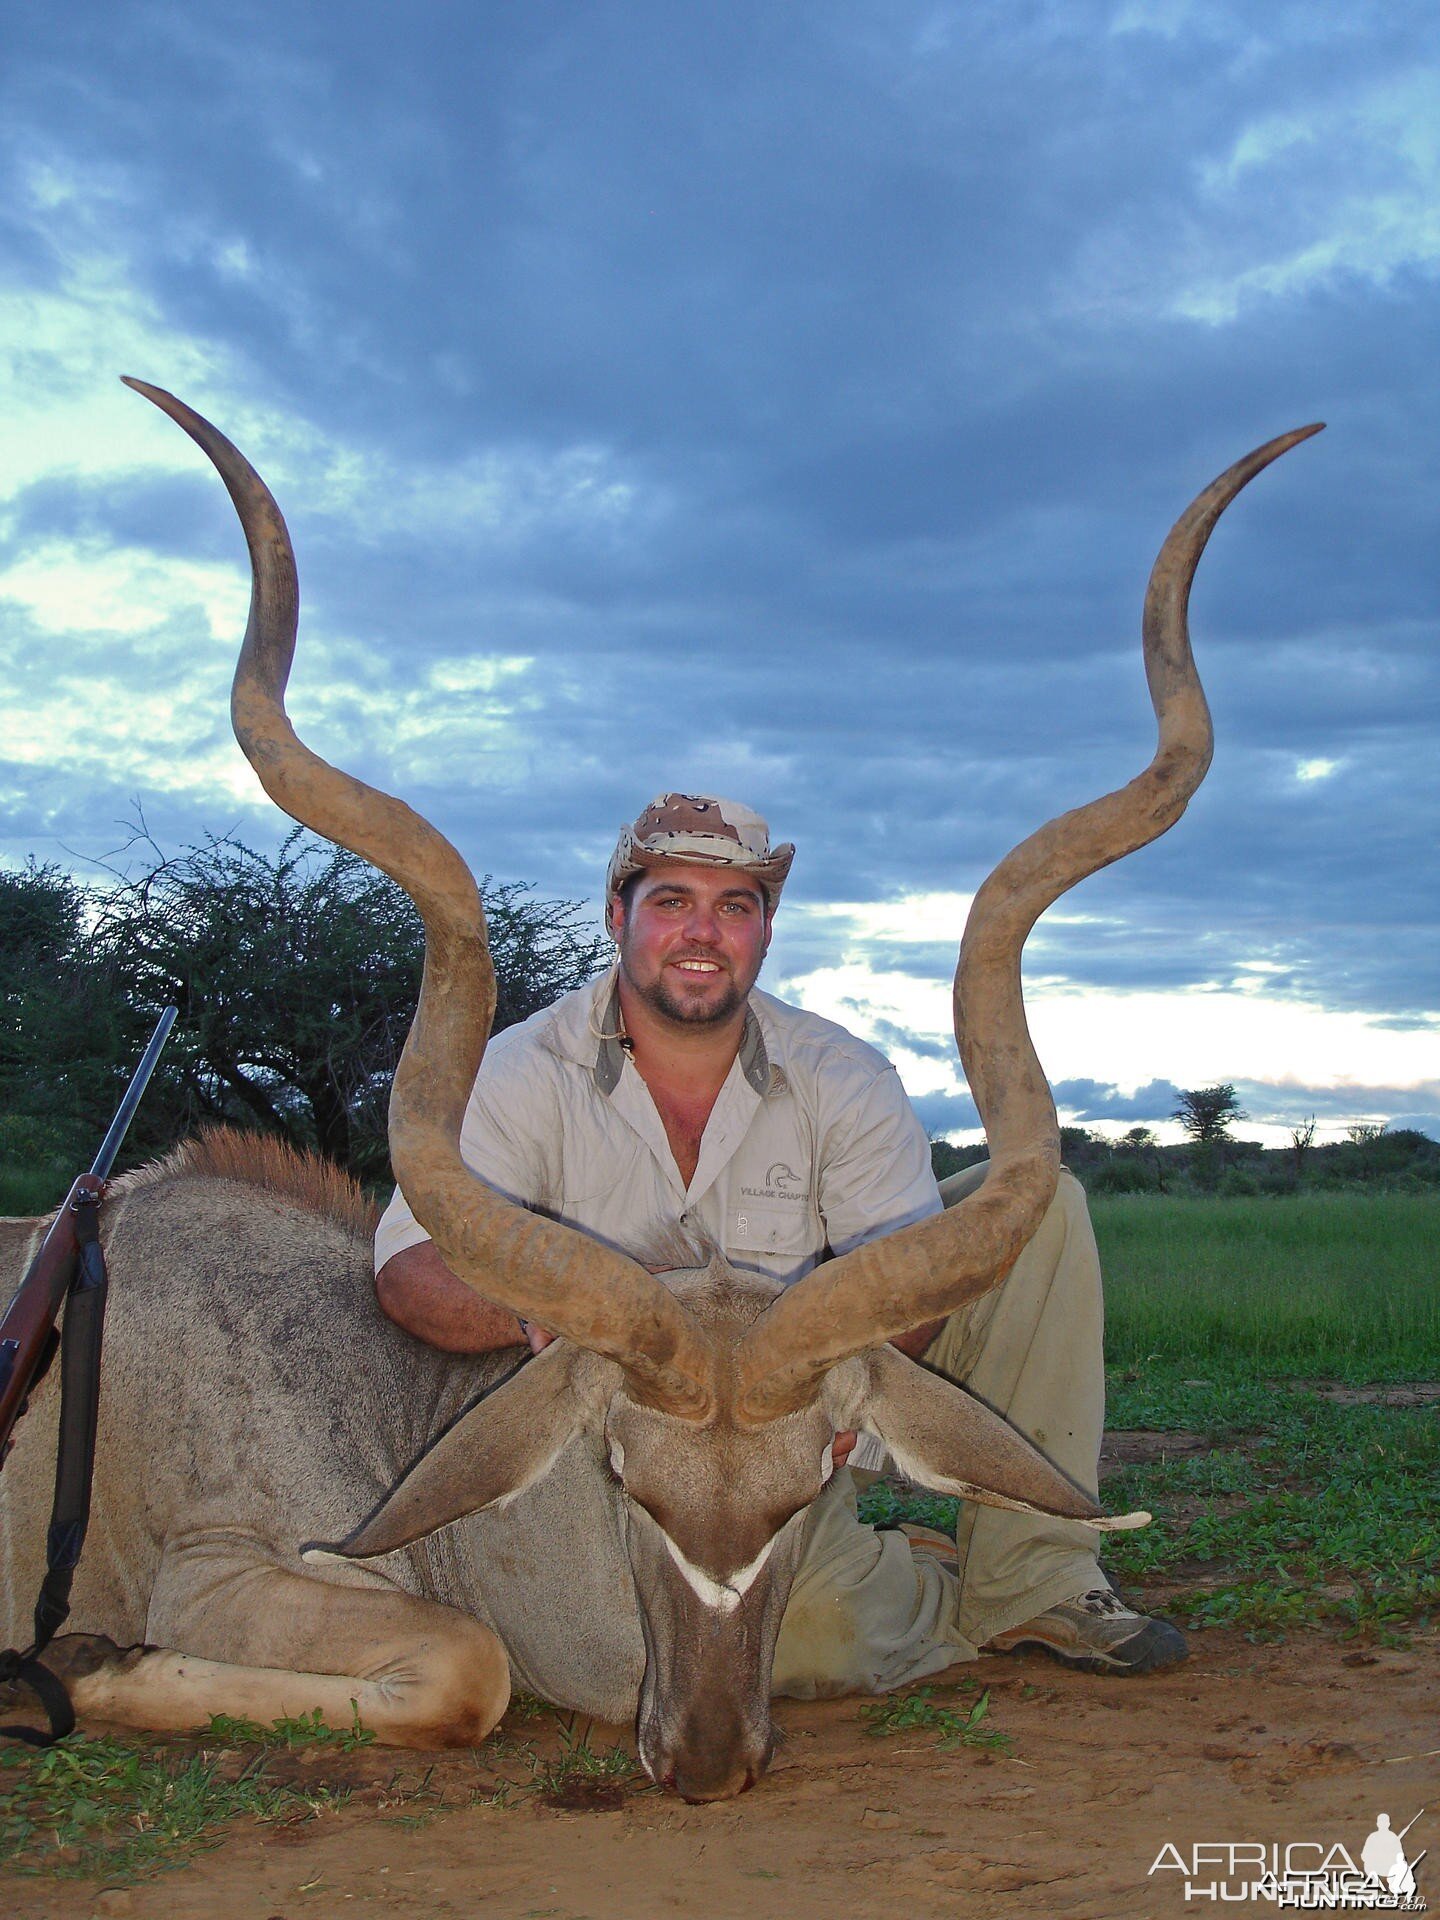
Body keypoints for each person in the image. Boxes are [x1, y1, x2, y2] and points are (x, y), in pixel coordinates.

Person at [375, 793, 1186, 1689]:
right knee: (812, 1643)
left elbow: (906, 1293)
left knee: (1043, 1211)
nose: (703, 932)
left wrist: (824, 1407)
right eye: (672, 901)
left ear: (766, 930)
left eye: (735, 907)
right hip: (647, 1463)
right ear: (619, 915)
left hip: (801, 1421)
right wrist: (547, 1325)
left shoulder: (839, 1073)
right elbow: (411, 1274)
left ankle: (1036, 1580)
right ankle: (923, 1579)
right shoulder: (524, 1070)